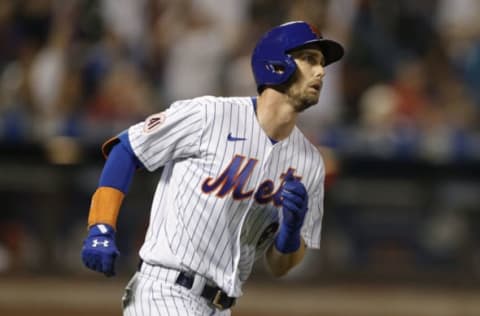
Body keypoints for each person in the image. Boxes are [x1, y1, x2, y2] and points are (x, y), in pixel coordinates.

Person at [81, 21, 344, 315]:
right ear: (276, 63)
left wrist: (291, 231)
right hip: (165, 291)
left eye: (322, 63)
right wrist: (101, 226)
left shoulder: (309, 162)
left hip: (221, 306)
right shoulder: (210, 115)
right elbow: (127, 148)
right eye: (309, 59)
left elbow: (281, 266)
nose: (321, 71)